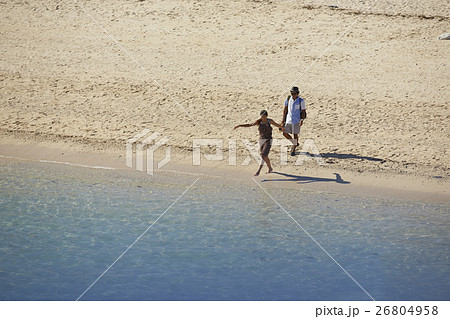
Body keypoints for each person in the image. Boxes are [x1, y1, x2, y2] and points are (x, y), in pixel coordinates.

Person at [234, 110, 284, 176]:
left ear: (266, 116)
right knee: (264, 156)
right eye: (261, 117)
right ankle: (270, 168)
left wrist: (282, 128)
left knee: (264, 155)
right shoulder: (259, 122)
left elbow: (278, 125)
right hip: (261, 140)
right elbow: (250, 125)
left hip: (268, 140)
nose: (262, 118)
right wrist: (239, 125)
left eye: (264, 117)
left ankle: (258, 170)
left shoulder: (270, 121)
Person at [281, 86, 306, 156]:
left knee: (295, 134)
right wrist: (283, 120)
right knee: (284, 133)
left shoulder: (301, 101)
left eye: (295, 93)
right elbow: (285, 109)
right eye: (292, 93)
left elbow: (303, 111)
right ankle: (294, 143)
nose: (293, 95)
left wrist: (302, 120)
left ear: (297, 93)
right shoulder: (288, 99)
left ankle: (294, 149)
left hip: (296, 120)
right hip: (288, 119)